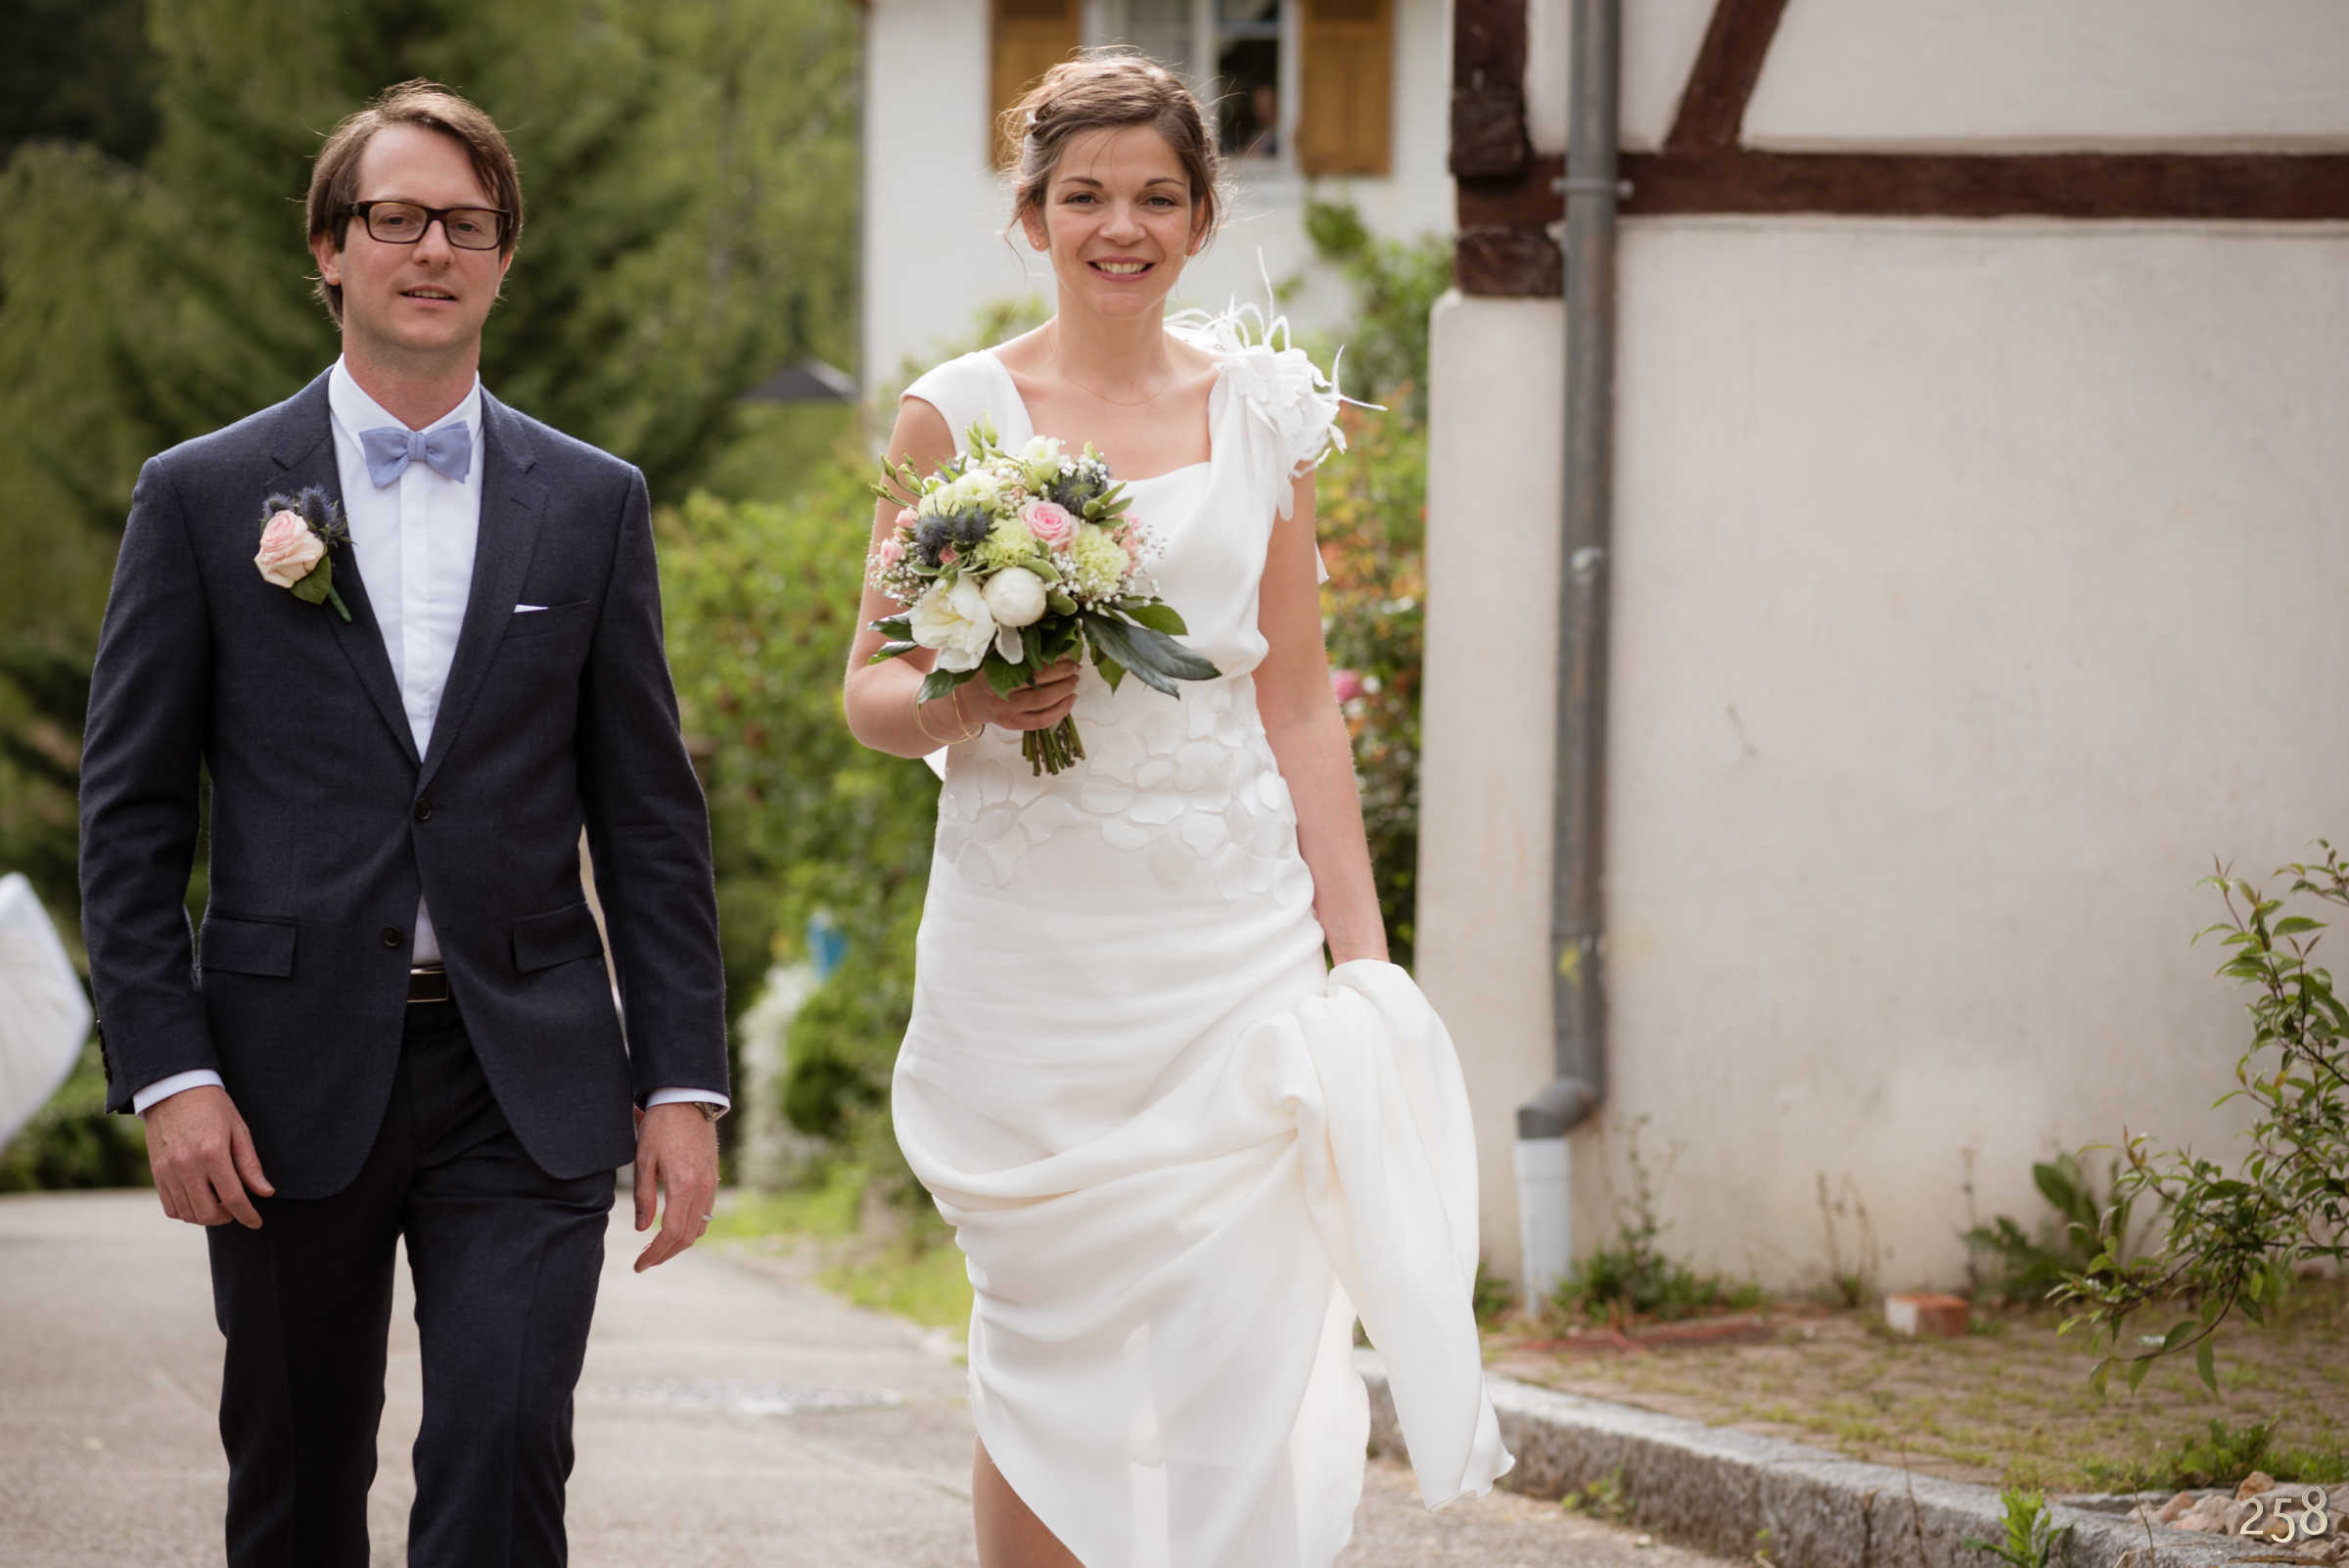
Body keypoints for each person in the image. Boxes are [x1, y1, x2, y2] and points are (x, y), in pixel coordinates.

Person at [844, 51, 1510, 1568]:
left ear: (1204, 218)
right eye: (1084, 195)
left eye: (1156, 197)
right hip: (1032, 951)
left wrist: (1363, 961)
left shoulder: (1267, 413)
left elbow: (1299, 701)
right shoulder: (953, 416)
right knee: (1044, 1330)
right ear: (1032, 216)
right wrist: (968, 701)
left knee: (1239, 1318)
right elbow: (871, 691)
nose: (1120, 226)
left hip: (1229, 941)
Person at [77, 79, 728, 1567]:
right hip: (277, 1078)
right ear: (329, 248)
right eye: (395, 218)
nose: (432, 249)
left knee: (505, 1455)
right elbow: (127, 815)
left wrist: (683, 1080)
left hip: (528, 1068)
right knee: (297, 1480)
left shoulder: (595, 501)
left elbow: (647, 815)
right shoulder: (202, 496)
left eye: (467, 224)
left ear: (503, 258)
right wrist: (169, 1068)